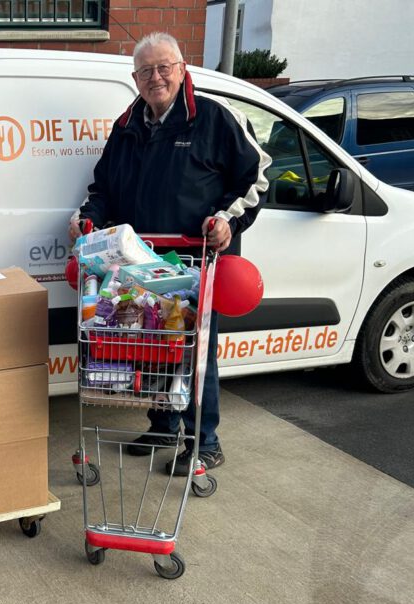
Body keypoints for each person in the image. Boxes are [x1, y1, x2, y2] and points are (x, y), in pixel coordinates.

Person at [69, 32, 271, 476]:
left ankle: (206, 441)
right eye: (146, 70)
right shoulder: (127, 128)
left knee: (196, 354)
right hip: (140, 267)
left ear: (182, 69)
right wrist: (87, 219)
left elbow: (256, 179)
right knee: (154, 348)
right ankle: (163, 426)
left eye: (165, 67)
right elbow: (103, 189)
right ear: (135, 78)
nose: (156, 77)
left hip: (195, 264)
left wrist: (226, 222)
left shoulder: (215, 119)